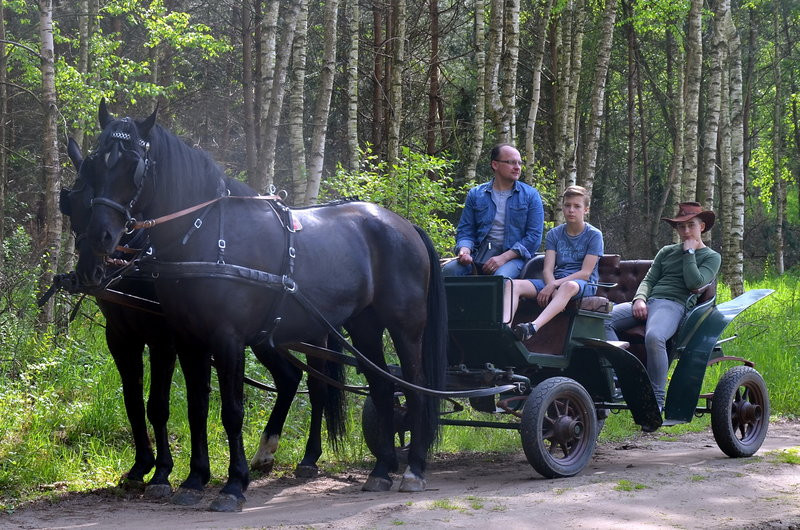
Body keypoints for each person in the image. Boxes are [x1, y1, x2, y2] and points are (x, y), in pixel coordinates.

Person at [604, 202, 721, 410]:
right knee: (602, 320)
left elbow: (695, 283)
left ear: (701, 227)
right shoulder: (666, 251)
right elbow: (649, 280)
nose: (685, 231)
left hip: (674, 305)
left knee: (654, 336)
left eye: (690, 225)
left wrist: (690, 254)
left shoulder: (711, 257)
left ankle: (656, 400)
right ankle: (621, 376)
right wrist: (639, 299)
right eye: (681, 227)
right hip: (649, 302)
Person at [505, 185, 604, 341]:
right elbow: (547, 269)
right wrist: (551, 286)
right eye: (567, 205)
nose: (571, 210)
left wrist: (554, 285)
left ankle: (532, 327)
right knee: (512, 285)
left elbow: (585, 274)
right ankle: (505, 329)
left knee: (568, 286)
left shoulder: (594, 235)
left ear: (586, 210)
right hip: (555, 281)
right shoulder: (554, 234)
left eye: (577, 206)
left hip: (583, 285)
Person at [442, 143, 544, 279]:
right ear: (495, 165)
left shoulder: (531, 195)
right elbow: (466, 231)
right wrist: (464, 250)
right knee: (449, 271)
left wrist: (503, 258)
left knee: (499, 279)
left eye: (519, 163)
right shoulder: (476, 194)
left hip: (513, 259)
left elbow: (534, 237)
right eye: (511, 163)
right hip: (477, 256)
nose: (517, 167)